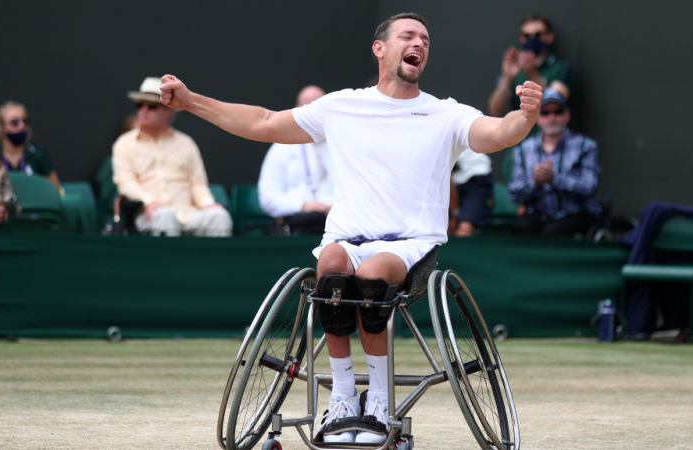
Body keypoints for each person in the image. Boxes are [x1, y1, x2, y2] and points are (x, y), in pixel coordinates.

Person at [159, 12, 542, 444]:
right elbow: (262, 122)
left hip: (409, 249)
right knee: (333, 265)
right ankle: (342, 396)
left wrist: (524, 118)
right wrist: (190, 102)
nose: (419, 43)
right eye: (408, 36)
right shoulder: (340, 106)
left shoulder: (445, 113)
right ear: (380, 48)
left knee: (371, 276)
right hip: (346, 238)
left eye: (426, 40)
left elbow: (498, 133)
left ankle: (379, 400)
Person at [112, 77, 233, 237]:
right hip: (148, 215)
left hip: (188, 214)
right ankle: (171, 263)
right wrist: (149, 202)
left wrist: (208, 204)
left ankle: (216, 263)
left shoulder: (186, 143)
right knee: (164, 216)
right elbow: (126, 183)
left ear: (168, 111)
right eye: (139, 105)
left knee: (219, 217)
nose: (144, 110)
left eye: (152, 106)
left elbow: (198, 184)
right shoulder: (124, 144)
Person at [508, 88, 601, 237]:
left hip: (574, 214)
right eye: (545, 112)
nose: (552, 117)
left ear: (567, 115)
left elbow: (590, 186)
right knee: (521, 227)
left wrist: (555, 179)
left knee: (553, 232)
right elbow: (514, 193)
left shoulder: (586, 146)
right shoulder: (524, 149)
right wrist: (534, 182)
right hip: (538, 214)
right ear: (537, 118)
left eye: (557, 112)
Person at [258, 85, 334, 235]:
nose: (314, 113)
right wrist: (304, 206)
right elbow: (268, 198)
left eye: (319, 106)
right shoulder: (281, 147)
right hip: (300, 223)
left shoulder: (343, 143)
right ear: (297, 110)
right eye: (308, 107)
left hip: (340, 220)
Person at [487, 13, 572, 118]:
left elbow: (556, 102)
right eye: (527, 36)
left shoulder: (560, 68)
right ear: (522, 38)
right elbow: (495, 110)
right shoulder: (515, 67)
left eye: (537, 35)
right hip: (520, 133)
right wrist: (508, 79)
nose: (532, 40)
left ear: (549, 37)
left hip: (547, 132)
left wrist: (532, 73)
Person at [0, 101, 62, 192]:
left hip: (34, 204)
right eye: (14, 122)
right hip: (2, 205)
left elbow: (56, 190)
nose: (21, 126)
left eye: (25, 121)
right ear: (2, 128)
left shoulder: (38, 154)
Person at [449, 148, 494, 236]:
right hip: (451, 183)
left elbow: (448, 179)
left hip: (476, 180)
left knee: (465, 228)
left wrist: (454, 213)